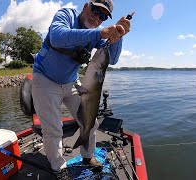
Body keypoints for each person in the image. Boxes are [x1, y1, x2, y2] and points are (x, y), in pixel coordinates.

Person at [31, 0, 130, 177]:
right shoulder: (66, 15)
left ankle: (88, 156)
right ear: (85, 6)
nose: (97, 17)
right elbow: (57, 36)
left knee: (91, 122)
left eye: (103, 16)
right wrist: (100, 33)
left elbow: (112, 58)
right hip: (45, 79)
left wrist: (118, 35)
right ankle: (58, 168)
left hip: (71, 82)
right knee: (53, 129)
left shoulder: (96, 34)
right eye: (95, 10)